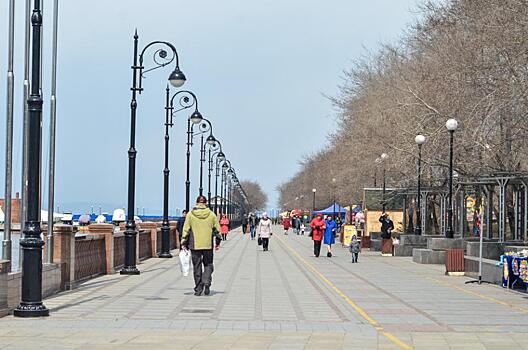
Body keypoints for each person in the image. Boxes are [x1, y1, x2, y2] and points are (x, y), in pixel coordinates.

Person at [181, 196, 222, 296]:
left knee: (197, 266)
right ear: (205, 203)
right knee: (208, 264)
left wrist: (183, 242)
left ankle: (198, 289)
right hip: (208, 244)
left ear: (197, 203)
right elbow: (217, 230)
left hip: (194, 244)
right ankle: (206, 281)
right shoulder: (212, 215)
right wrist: (218, 242)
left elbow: (186, 230)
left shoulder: (190, 215)